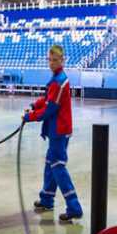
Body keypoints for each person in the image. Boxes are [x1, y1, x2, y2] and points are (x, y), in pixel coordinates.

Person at [22, 45, 83, 222]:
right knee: (51, 164)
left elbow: (50, 109)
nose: (52, 63)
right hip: (57, 129)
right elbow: (48, 99)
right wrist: (36, 104)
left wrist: (30, 116)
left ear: (62, 60)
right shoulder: (56, 79)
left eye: (55, 60)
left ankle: (74, 206)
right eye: (50, 60)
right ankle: (47, 199)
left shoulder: (59, 80)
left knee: (58, 167)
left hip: (59, 130)